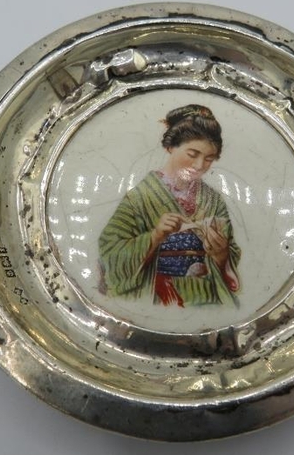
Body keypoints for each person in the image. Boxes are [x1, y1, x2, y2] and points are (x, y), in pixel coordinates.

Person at [98, 104, 241, 307]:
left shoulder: (213, 199)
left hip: (207, 296)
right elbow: (109, 250)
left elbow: (231, 251)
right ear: (170, 147)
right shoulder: (140, 196)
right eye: (192, 154)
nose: (199, 165)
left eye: (209, 159)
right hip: (160, 296)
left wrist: (222, 256)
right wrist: (155, 236)